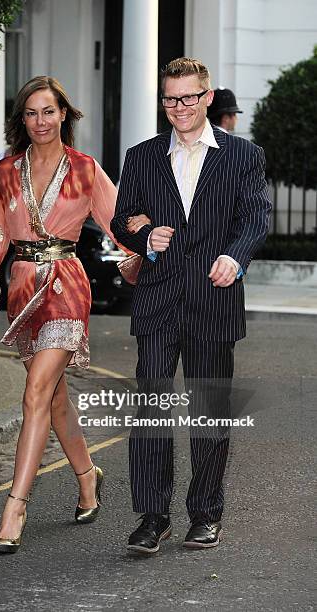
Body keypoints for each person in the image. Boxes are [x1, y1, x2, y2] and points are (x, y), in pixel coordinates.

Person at [0, 75, 146, 554]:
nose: (40, 121)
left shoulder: (86, 169)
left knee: (34, 393)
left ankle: (14, 506)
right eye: (31, 113)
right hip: (23, 288)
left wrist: (145, 246)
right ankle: (89, 477)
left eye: (48, 111)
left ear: (63, 114)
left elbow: (122, 219)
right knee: (55, 398)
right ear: (22, 119)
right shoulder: (6, 171)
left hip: (67, 284)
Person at [111, 57, 271, 554]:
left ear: (206, 98)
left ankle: (205, 514)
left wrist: (235, 256)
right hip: (158, 299)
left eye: (187, 97)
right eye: (169, 99)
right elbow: (121, 221)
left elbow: (256, 218)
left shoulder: (244, 156)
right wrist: (145, 235)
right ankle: (152, 516)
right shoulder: (141, 156)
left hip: (213, 298)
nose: (178, 108)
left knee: (208, 411)